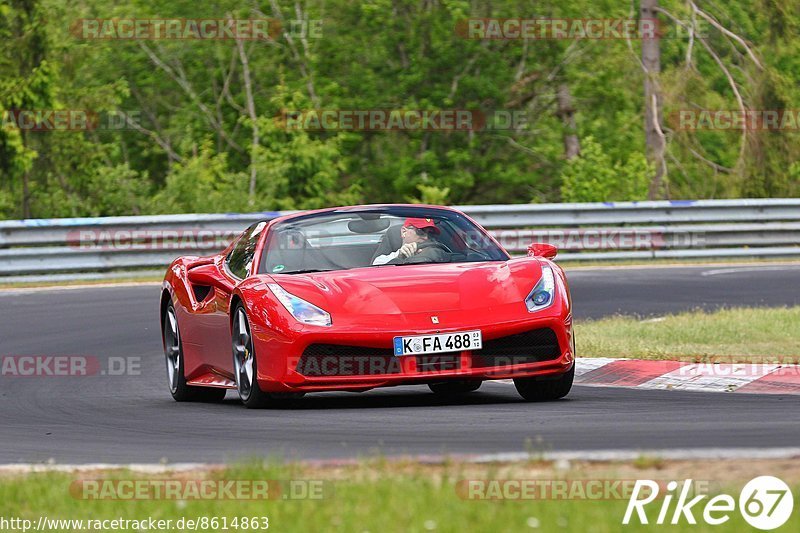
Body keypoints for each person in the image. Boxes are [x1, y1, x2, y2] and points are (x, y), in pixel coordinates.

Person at [372, 217, 448, 265]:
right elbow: (375, 268)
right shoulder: (384, 259)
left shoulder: (438, 255)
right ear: (404, 232)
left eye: (430, 233)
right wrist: (400, 257)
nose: (426, 237)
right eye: (420, 231)